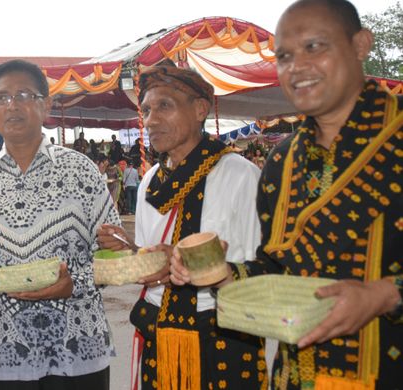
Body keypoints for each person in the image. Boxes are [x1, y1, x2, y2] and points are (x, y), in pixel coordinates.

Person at [169, 1, 402, 388]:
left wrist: (385, 294)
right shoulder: (282, 161)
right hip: (296, 376)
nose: (297, 67)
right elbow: (277, 269)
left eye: (315, 47)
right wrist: (220, 274)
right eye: (284, 56)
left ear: (360, 45)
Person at [0, 59, 119, 390]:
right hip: (7, 351)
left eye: (24, 94)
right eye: (2, 97)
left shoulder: (80, 170)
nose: (12, 105)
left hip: (78, 345)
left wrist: (77, 282)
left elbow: (115, 258)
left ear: (46, 105)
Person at [99, 60, 267, 389]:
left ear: (201, 109)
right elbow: (153, 260)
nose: (151, 120)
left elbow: (258, 272)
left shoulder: (240, 175)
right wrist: (133, 252)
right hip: (159, 334)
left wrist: (190, 262)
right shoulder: (150, 180)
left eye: (165, 105)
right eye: (146, 110)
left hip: (222, 337)